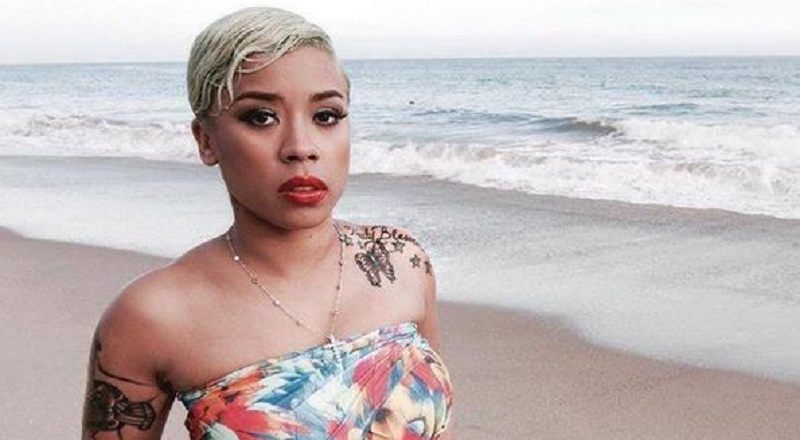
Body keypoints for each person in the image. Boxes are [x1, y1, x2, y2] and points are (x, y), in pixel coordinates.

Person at [81, 6, 454, 440]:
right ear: (206, 140)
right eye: (261, 117)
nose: (301, 147)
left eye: (326, 116)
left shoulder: (400, 262)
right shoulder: (152, 315)